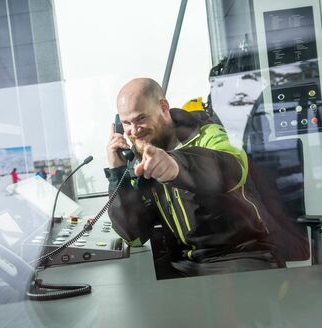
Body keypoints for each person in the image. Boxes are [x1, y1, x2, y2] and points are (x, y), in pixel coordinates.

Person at [105, 78, 302, 278]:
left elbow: (233, 169)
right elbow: (134, 237)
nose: (134, 131)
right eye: (127, 123)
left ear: (164, 107)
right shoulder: (142, 155)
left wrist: (176, 166)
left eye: (140, 119)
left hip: (244, 256)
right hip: (188, 263)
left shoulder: (210, 134)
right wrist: (117, 171)